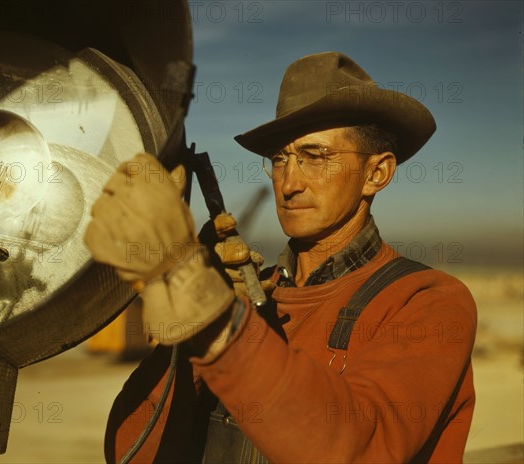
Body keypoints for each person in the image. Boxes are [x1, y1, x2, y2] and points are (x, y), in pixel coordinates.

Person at [85, 52, 477, 463]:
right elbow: (130, 451)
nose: (289, 183)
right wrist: (190, 341)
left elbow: (359, 448)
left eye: (316, 157)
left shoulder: (428, 302)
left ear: (376, 173)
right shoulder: (246, 296)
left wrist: (212, 316)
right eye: (279, 159)